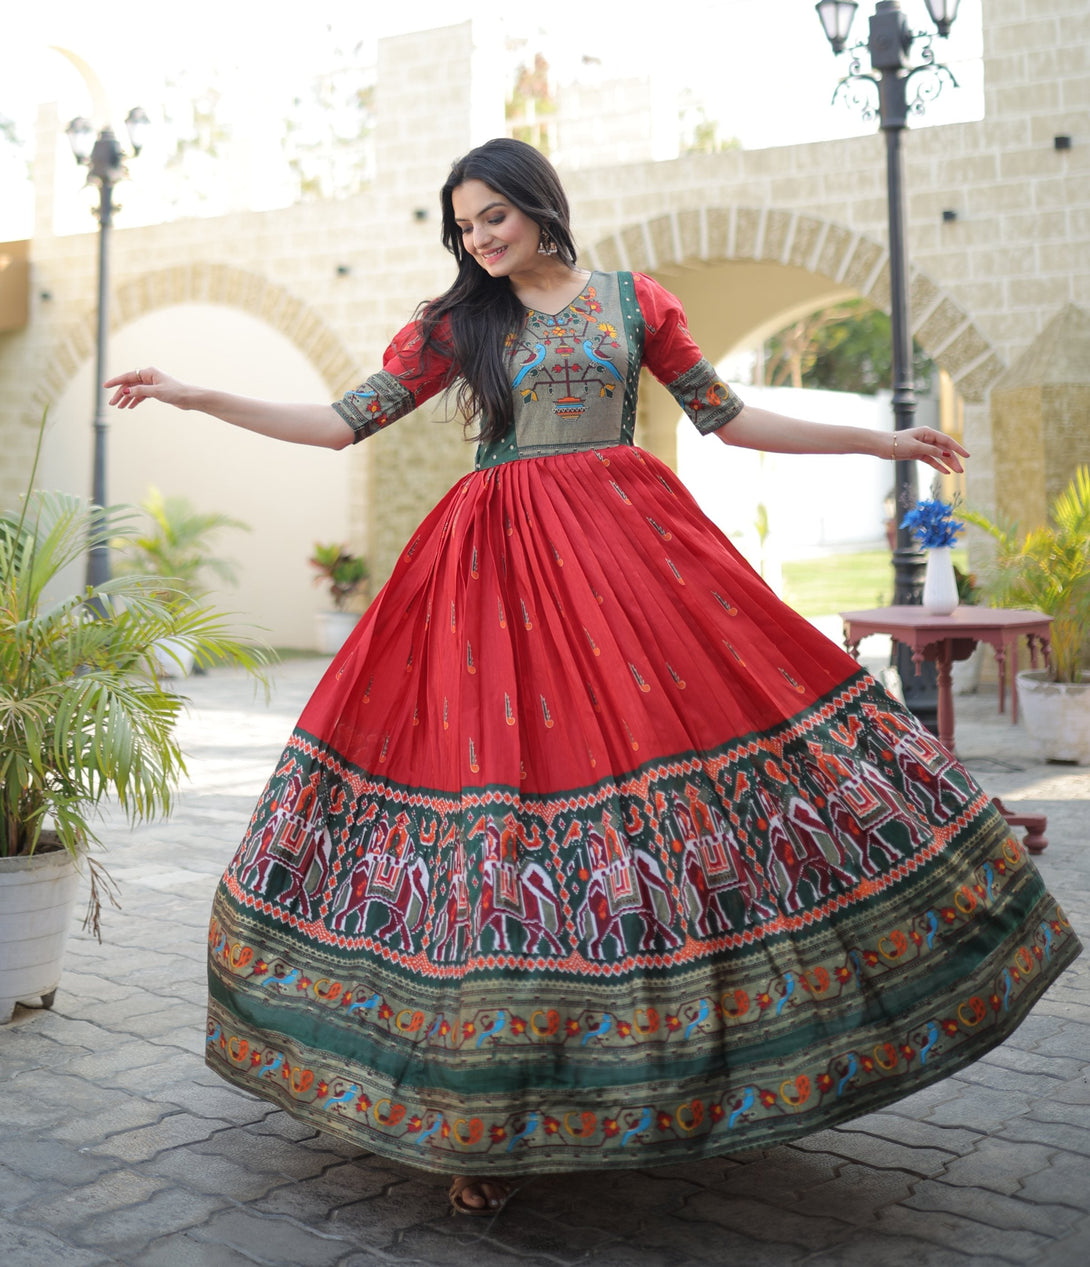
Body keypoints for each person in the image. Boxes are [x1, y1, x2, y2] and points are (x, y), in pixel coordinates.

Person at [106, 137, 1079, 1217]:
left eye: (490, 215)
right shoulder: (458, 326)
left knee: (695, 768)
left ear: (535, 203)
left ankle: (668, 1064)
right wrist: (194, 395)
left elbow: (730, 417)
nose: (477, 237)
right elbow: (342, 422)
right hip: (495, 578)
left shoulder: (632, 303)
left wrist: (879, 443)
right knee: (502, 800)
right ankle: (480, 1107)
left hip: (631, 566)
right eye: (462, 224)